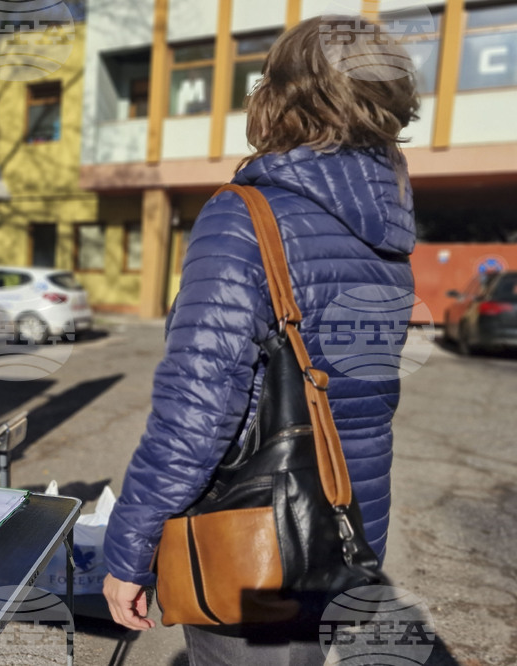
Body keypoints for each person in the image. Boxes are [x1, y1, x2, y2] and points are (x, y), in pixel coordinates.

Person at [102, 15, 420, 665]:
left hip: (255, 538)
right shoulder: (388, 231)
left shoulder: (245, 217)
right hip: (344, 528)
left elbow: (196, 413)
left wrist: (127, 552)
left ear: (280, 96)